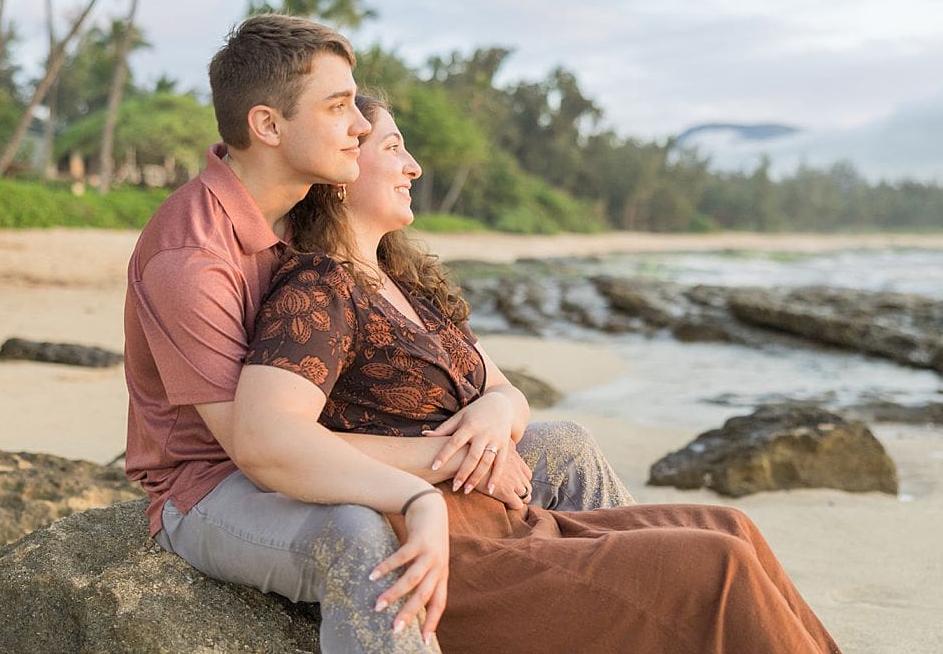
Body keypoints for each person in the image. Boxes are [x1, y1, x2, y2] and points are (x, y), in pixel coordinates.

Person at [237, 93, 845, 653]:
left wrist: (495, 411)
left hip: (513, 524)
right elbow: (276, 439)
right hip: (454, 551)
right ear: (341, 174)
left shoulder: (402, 286)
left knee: (730, 525)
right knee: (716, 565)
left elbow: (504, 390)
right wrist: (455, 455)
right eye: (393, 148)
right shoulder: (319, 289)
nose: (414, 167)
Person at [123, 14, 632, 654]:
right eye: (338, 107)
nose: (360, 127)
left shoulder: (298, 220)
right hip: (213, 488)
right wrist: (446, 471)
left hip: (331, 445)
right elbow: (259, 451)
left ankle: (643, 590)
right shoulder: (191, 258)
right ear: (268, 126)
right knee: (358, 534)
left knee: (565, 447)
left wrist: (490, 421)